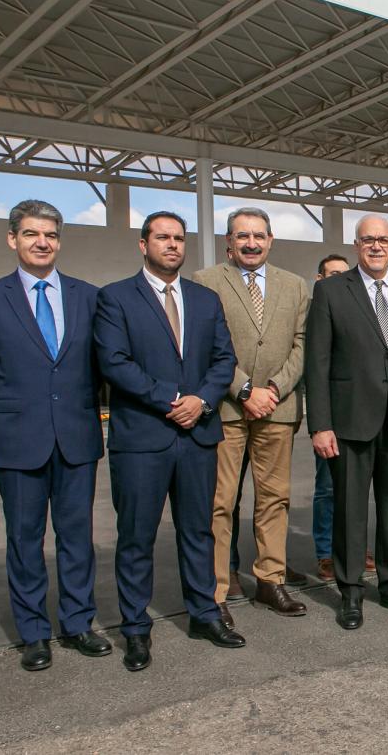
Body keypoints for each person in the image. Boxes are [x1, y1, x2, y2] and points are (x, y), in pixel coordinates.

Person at [94, 211, 243, 671]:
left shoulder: (205, 298)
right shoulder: (116, 298)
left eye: (179, 238)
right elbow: (114, 362)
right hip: (142, 437)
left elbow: (224, 359)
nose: (173, 245)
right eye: (163, 238)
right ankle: (136, 629)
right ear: (144, 244)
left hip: (197, 435)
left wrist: (200, 400)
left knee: (198, 531)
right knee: (136, 537)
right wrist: (173, 399)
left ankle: (204, 613)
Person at [0, 200, 110, 673]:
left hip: (76, 436)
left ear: (59, 241)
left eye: (49, 234)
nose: (41, 242)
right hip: (18, 439)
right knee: (24, 541)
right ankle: (33, 633)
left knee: (76, 538)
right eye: (31, 234)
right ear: (13, 239)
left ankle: (77, 623)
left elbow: (96, 368)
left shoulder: (88, 296)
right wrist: (14, 410)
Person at [305, 215, 388, 630]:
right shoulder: (330, 291)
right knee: (350, 508)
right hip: (349, 421)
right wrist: (320, 424)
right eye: (368, 240)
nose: (376, 246)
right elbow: (317, 362)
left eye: (383, 240)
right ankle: (350, 590)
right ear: (356, 244)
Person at [194, 208, 310, 629]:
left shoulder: (294, 286)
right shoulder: (206, 282)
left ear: (271, 239)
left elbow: (302, 344)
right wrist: (244, 389)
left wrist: (275, 389)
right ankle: (216, 590)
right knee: (220, 502)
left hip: (277, 409)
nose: (251, 243)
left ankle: (270, 578)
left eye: (259, 235)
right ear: (228, 241)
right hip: (227, 407)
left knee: (274, 498)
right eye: (242, 236)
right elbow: (204, 344)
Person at [311, 253, 374, 582]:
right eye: (331, 274)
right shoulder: (320, 307)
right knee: (327, 488)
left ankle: (355, 548)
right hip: (331, 416)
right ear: (320, 280)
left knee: (354, 491)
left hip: (360, 416)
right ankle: (325, 552)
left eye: (342, 273)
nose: (339, 279)